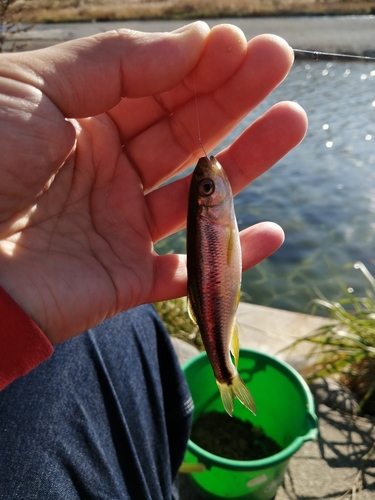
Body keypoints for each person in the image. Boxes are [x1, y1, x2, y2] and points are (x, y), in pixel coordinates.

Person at [0, 21, 307, 499]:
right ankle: (223, 376)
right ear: (212, 203)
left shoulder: (211, 215)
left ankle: (224, 372)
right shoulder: (214, 218)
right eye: (207, 188)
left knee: (132, 324)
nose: (211, 184)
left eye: (204, 187)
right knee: (134, 326)